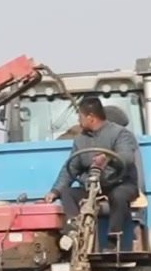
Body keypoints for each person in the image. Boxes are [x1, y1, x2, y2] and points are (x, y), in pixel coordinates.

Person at [43, 96, 141, 250]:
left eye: (80, 116)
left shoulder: (120, 134)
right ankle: (75, 231)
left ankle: (113, 240)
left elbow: (127, 157)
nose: (78, 120)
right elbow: (71, 168)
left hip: (120, 183)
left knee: (119, 195)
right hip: (93, 188)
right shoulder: (80, 140)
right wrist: (55, 191)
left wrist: (107, 158)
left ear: (90, 117)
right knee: (68, 193)